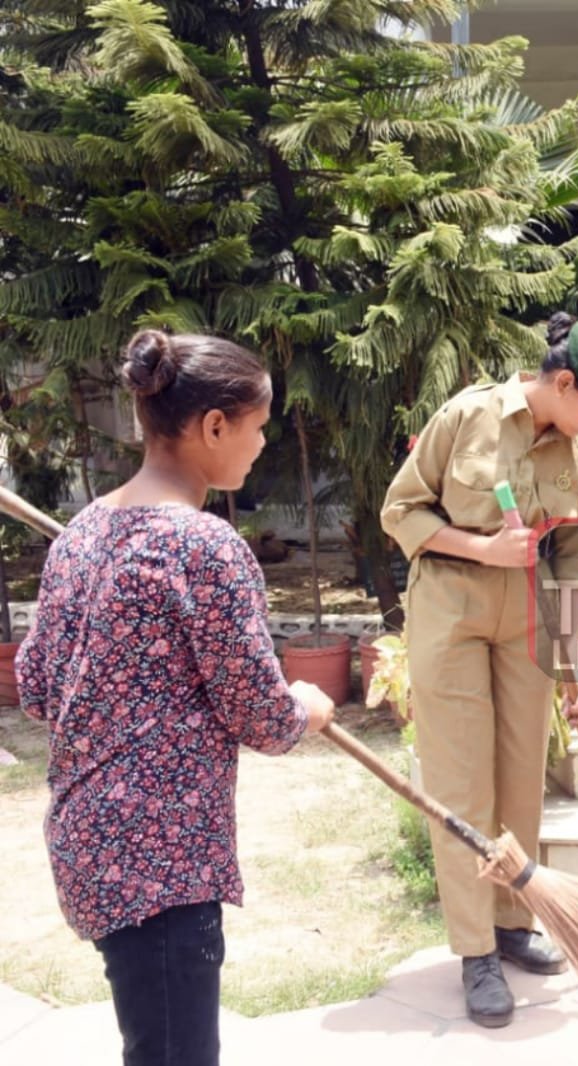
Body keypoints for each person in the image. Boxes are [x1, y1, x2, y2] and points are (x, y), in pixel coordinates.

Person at [16, 330, 338, 1066]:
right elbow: (260, 714)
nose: (260, 446)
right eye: (256, 428)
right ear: (213, 426)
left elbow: (36, 688)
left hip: (90, 843)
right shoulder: (204, 547)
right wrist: (306, 709)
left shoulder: (83, 533)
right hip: (160, 865)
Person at [380, 312, 578, 1028]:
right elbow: (399, 510)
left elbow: (574, 563)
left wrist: (574, 663)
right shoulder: (467, 417)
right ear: (562, 382)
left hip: (527, 620)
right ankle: (474, 952)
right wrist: (477, 547)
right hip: (452, 610)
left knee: (523, 773)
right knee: (463, 778)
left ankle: (512, 923)